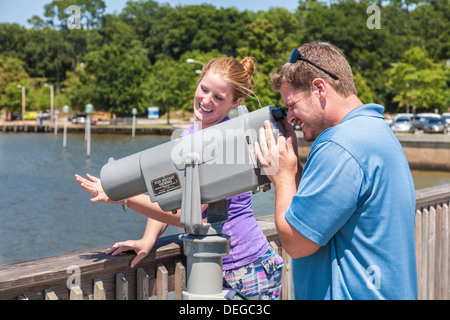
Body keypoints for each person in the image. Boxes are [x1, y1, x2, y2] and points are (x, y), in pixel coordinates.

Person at [75, 57, 284, 300]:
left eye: (218, 97)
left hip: (247, 269)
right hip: (211, 267)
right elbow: (167, 189)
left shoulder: (229, 140)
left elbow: (193, 212)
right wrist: (148, 239)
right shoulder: (189, 135)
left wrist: (125, 198)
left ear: (235, 102)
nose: (206, 100)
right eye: (204, 89)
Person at [255, 41, 417, 300]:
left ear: (319, 88)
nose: (289, 118)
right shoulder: (375, 130)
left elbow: (296, 242)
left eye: (293, 104)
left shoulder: (339, 144)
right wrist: (294, 166)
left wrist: (282, 176)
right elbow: (317, 213)